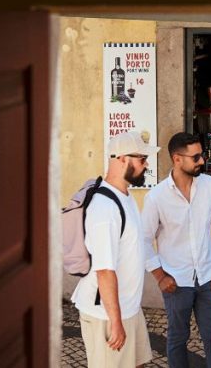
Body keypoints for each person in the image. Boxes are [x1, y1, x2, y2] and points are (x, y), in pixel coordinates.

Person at [141, 132, 211, 368]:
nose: (202, 161)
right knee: (178, 338)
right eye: (196, 157)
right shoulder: (156, 197)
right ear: (177, 159)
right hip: (175, 281)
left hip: (209, 277)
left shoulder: (210, 186)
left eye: (202, 155)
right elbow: (144, 240)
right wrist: (160, 276)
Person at [71, 132, 155, 368]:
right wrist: (116, 321)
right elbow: (105, 270)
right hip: (106, 314)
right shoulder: (105, 209)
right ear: (121, 159)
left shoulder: (124, 196)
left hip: (128, 308)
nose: (146, 164)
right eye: (142, 159)